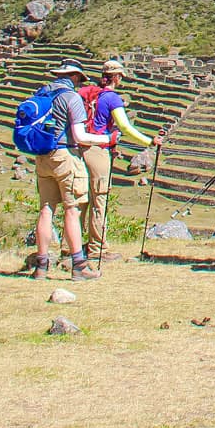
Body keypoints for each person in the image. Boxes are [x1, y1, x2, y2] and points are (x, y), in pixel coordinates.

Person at [31, 60, 112, 281]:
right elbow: (79, 136)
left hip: (42, 157)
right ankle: (79, 265)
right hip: (64, 155)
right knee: (72, 209)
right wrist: (107, 138)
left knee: (46, 210)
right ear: (75, 77)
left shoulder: (42, 93)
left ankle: (41, 265)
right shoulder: (71, 98)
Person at [80, 59, 161, 264]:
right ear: (116, 77)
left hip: (80, 148)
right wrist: (150, 141)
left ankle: (69, 246)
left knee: (80, 199)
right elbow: (124, 127)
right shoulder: (111, 98)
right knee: (100, 200)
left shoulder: (90, 94)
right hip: (98, 150)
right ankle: (97, 247)